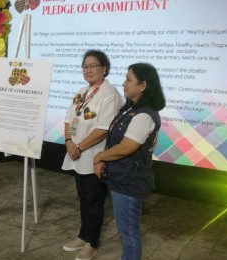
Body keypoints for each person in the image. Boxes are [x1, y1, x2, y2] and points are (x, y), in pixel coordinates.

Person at [93, 63, 166, 260]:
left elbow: (126, 147)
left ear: (143, 85)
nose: (124, 84)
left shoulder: (144, 115)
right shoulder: (131, 109)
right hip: (121, 178)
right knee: (126, 230)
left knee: (129, 233)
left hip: (130, 182)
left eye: (128, 80)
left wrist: (99, 157)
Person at [62, 50, 123, 260]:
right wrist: (69, 141)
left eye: (93, 65)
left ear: (104, 68)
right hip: (78, 154)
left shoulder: (110, 94)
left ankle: (92, 242)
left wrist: (79, 147)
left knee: (94, 200)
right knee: (84, 197)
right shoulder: (82, 92)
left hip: (95, 156)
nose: (88, 70)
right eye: (85, 66)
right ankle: (83, 235)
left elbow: (103, 129)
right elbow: (69, 120)